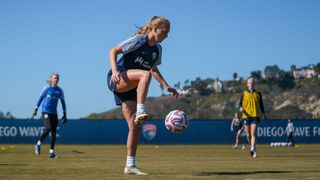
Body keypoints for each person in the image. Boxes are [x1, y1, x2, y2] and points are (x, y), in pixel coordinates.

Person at [107, 16, 178, 175]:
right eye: (164, 32)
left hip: (132, 87)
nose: (166, 36)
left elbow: (153, 69)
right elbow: (113, 51)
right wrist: (115, 71)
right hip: (118, 79)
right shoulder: (138, 40)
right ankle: (141, 109)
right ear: (154, 28)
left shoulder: (157, 49)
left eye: (168, 33)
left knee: (135, 126)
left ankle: (130, 165)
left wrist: (167, 86)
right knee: (145, 75)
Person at [32, 72, 67, 159]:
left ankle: (51, 153)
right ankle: (38, 144)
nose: (56, 80)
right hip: (45, 111)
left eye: (57, 78)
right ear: (51, 79)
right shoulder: (46, 89)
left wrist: (65, 114)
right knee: (48, 128)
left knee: (54, 132)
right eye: (54, 78)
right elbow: (40, 99)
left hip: (54, 113)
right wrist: (36, 109)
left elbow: (63, 102)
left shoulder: (60, 90)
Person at [237, 77, 266, 158]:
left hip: (255, 116)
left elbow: (261, 105)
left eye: (253, 83)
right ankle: (252, 147)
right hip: (246, 117)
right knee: (248, 135)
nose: (251, 84)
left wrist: (264, 114)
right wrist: (240, 108)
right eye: (250, 83)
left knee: (253, 133)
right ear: (247, 84)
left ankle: (253, 148)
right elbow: (238, 104)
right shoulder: (244, 93)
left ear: (254, 84)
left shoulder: (258, 94)